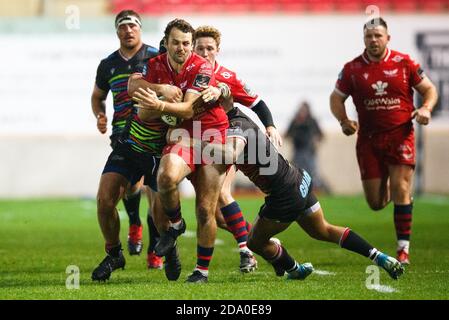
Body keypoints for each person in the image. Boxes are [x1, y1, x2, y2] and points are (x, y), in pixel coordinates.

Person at [200, 104, 405, 281]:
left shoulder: (234, 129)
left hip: (284, 195)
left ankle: (294, 269)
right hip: (299, 177)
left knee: (254, 241)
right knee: (322, 230)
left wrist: (196, 145)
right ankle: (378, 256)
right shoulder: (240, 118)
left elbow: (231, 153)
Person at [329, 17, 438, 265]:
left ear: (388, 38)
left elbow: (429, 90)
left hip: (400, 135)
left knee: (401, 188)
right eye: (369, 36)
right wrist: (344, 120)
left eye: (378, 35)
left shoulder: (404, 62)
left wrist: (427, 109)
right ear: (363, 40)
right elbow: (335, 98)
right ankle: (396, 186)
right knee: (375, 203)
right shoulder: (352, 69)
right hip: (368, 140)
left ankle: (403, 250)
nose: (374, 40)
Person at [129, 19, 229, 283]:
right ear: (166, 42)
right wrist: (161, 90)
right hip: (182, 136)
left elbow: (186, 109)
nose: (182, 48)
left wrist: (158, 106)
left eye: (186, 43)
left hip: (211, 137)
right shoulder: (153, 65)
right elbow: (133, 90)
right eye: (176, 42)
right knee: (165, 177)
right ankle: (176, 226)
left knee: (206, 209)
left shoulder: (202, 67)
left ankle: (202, 271)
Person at [91, 12, 184, 282]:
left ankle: (165, 249)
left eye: (133, 25)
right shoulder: (115, 64)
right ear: (117, 31)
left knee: (158, 210)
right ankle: (115, 253)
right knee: (105, 199)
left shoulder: (163, 59)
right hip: (126, 138)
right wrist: (100, 115)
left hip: (158, 146)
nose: (129, 30)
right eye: (123, 26)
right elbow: (119, 90)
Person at [193, 25, 283, 273]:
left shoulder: (227, 76)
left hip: (222, 140)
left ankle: (246, 250)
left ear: (217, 50)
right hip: (196, 142)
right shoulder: (186, 75)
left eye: (209, 48)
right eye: (200, 47)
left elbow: (257, 102)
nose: (204, 52)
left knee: (221, 194)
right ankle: (258, 241)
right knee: (214, 213)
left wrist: (271, 126)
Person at [286, 101, 329, 194]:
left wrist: (316, 143)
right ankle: (298, 192)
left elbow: (321, 135)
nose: (302, 112)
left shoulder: (312, 121)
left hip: (309, 152)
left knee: (312, 173)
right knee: (296, 173)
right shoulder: (295, 121)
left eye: (304, 110)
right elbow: (287, 134)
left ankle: (315, 192)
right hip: (297, 152)